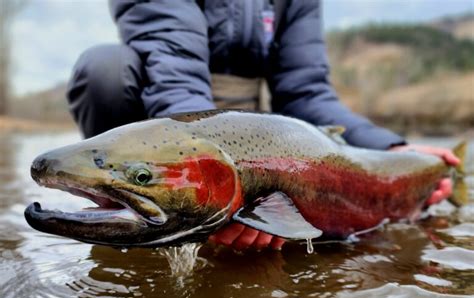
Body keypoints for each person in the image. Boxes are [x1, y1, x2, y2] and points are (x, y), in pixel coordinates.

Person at [67, 0, 458, 251]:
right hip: (168, 109)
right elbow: (175, 76)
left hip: (252, 125)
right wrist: (211, 184)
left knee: (331, 202)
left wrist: (391, 150)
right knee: (104, 69)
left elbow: (306, 94)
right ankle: (139, 207)